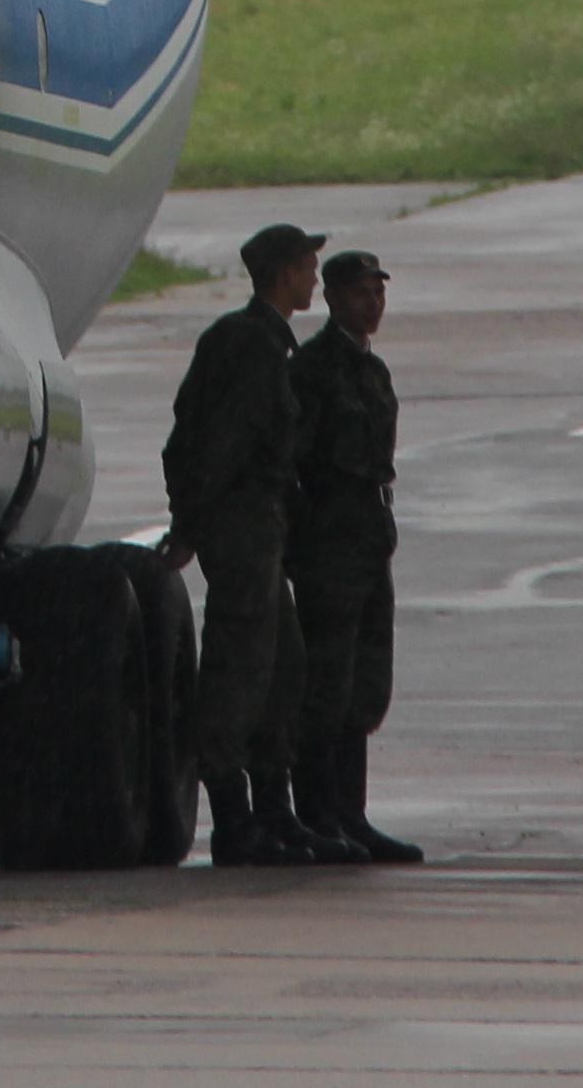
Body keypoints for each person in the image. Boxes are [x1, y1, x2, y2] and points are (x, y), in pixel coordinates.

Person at [161, 219, 327, 865]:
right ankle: (233, 820)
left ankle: (273, 813)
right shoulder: (249, 347)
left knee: (283, 668)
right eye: (309, 267)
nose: (315, 277)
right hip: (242, 533)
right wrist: (191, 528)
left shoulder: (265, 343)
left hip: (262, 531)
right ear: (285, 273)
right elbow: (216, 446)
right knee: (238, 673)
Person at [287, 246, 420, 863]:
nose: (374, 304)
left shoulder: (373, 370)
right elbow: (297, 461)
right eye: (363, 293)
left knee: (364, 683)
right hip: (329, 541)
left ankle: (352, 813)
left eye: (379, 293)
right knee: (325, 684)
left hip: (368, 535)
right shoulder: (312, 370)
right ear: (335, 298)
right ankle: (318, 812)